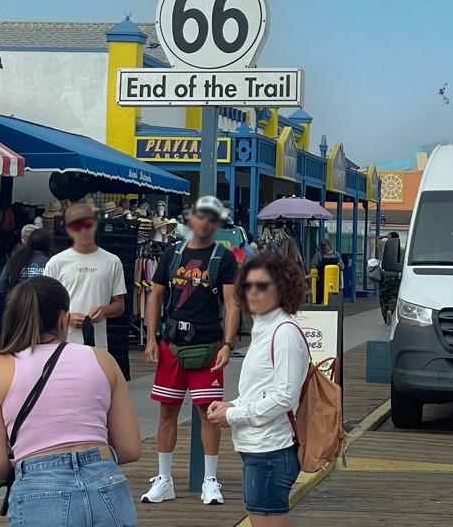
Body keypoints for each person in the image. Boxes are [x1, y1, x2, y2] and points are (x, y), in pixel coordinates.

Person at [0, 276, 141, 527]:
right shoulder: (101, 360)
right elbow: (129, 449)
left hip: (38, 491)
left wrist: (32, 467)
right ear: (64, 318)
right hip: (105, 484)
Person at [141, 196, 241, 506]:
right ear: (191, 220)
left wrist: (227, 344)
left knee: (209, 414)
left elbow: (231, 302)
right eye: (200, 217)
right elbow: (156, 297)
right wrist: (150, 338)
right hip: (171, 344)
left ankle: (210, 480)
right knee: (167, 411)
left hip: (208, 345)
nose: (205, 223)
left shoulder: (223, 258)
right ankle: (164, 479)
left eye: (211, 218)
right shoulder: (172, 254)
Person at [207, 251, 310, 526]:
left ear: (282, 288)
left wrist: (232, 416)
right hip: (259, 449)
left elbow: (284, 397)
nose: (253, 292)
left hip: (271, 450)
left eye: (262, 285)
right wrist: (234, 405)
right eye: (248, 285)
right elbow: (263, 389)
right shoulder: (265, 329)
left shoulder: (284, 332)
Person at [43, 199, 127, 348]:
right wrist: (67, 318)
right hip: (62, 345)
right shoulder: (56, 263)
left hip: (98, 345)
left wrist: (104, 311)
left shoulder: (112, 262)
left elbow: (119, 305)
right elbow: (44, 306)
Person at [0, 229, 54, 300]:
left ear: (29, 242)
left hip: (17, 306)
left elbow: (0, 288)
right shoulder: (52, 263)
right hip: (43, 307)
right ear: (48, 244)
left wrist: (14, 300)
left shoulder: (15, 260)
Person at [378, 232, 403, 325]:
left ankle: (385, 316)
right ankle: (391, 309)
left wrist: (384, 236)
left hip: (386, 274)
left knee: (383, 295)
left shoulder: (385, 246)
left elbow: (378, 239)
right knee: (394, 295)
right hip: (397, 274)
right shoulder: (402, 249)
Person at [309, 240, 342, 304]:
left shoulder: (336, 255)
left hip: (333, 281)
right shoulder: (318, 255)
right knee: (320, 294)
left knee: (333, 295)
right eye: (321, 246)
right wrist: (316, 275)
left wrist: (340, 266)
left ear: (329, 246)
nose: (322, 247)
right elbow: (312, 265)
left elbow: (342, 267)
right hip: (321, 279)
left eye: (324, 245)